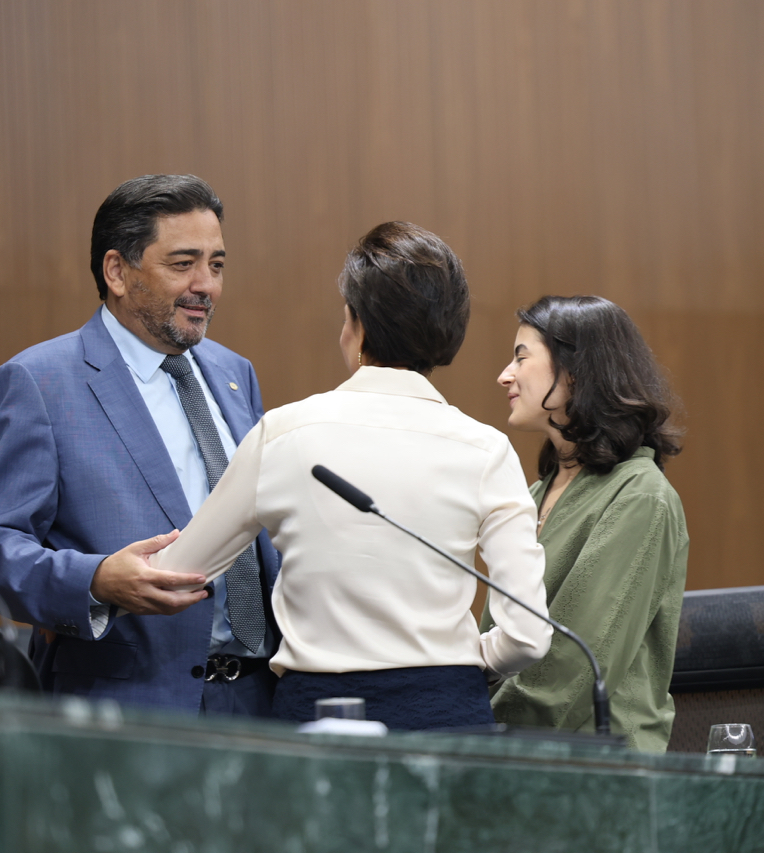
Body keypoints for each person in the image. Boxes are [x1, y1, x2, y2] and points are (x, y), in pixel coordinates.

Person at [150, 222, 552, 730]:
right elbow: (527, 636)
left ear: (357, 325)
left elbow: (179, 573)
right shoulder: (488, 451)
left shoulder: (283, 433)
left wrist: (92, 581)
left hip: (317, 713)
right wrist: (454, 663)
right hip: (449, 713)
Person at [0, 174, 279, 716]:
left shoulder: (234, 373)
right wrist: (97, 581)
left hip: (259, 700)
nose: (207, 285)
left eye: (217, 265)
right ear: (117, 272)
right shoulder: (40, 382)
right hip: (129, 707)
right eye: (183, 264)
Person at [485, 295, 688, 751]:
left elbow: (577, 666)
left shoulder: (640, 495)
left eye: (521, 357)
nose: (505, 375)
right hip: (516, 751)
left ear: (575, 371)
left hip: (597, 767)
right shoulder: (533, 495)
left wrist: (472, 730)